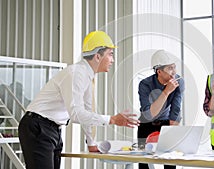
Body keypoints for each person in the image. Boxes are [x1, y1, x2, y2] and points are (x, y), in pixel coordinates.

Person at [18, 30, 140, 169]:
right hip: (38, 126)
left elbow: (87, 110)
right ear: (97, 56)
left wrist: (91, 143)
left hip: (52, 129)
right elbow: (76, 114)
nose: (112, 60)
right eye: (110, 54)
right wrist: (111, 119)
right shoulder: (76, 73)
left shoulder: (86, 75)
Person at [138, 49, 185, 169]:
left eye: (174, 67)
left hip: (166, 123)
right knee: (144, 162)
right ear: (159, 71)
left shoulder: (179, 82)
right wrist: (167, 91)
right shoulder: (145, 84)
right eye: (170, 68)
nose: (174, 72)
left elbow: (175, 110)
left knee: (169, 161)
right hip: (146, 124)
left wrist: (171, 136)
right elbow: (149, 114)